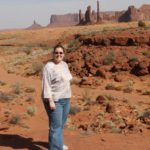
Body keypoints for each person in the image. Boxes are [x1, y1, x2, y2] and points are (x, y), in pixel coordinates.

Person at [42, 44, 72, 150]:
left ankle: (57, 144)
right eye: (56, 52)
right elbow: (46, 85)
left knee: (60, 125)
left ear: (63, 54)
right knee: (56, 126)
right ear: (53, 54)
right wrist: (50, 101)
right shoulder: (48, 67)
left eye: (61, 53)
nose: (58, 54)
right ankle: (56, 148)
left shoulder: (64, 64)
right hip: (55, 100)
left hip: (66, 99)